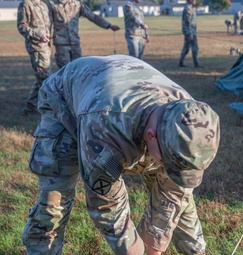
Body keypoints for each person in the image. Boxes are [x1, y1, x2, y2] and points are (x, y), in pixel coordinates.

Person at [22, 54, 220, 255]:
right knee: (53, 204)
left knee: (179, 197)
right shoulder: (104, 130)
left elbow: (174, 193)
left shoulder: (191, 120)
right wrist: (135, 251)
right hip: (67, 101)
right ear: (151, 136)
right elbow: (107, 207)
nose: (168, 170)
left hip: (118, 89)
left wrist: (154, 246)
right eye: (166, 162)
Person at [48, 0, 120, 69]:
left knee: (78, 68)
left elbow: (93, 16)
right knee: (64, 70)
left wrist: (108, 25)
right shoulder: (52, 4)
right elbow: (48, 23)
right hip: (61, 44)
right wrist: (47, 39)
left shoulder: (77, 4)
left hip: (75, 43)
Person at [17, 0, 52, 115]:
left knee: (41, 78)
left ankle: (30, 108)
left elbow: (47, 26)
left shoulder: (43, 5)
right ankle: (49, 109)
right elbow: (21, 26)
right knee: (45, 78)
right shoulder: (26, 4)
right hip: (36, 47)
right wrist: (38, 35)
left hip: (46, 47)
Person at [178, 0, 201, 67]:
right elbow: (187, 22)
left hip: (191, 30)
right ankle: (196, 63)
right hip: (190, 31)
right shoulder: (187, 9)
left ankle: (180, 62)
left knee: (186, 47)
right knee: (194, 47)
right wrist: (189, 33)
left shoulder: (191, 8)